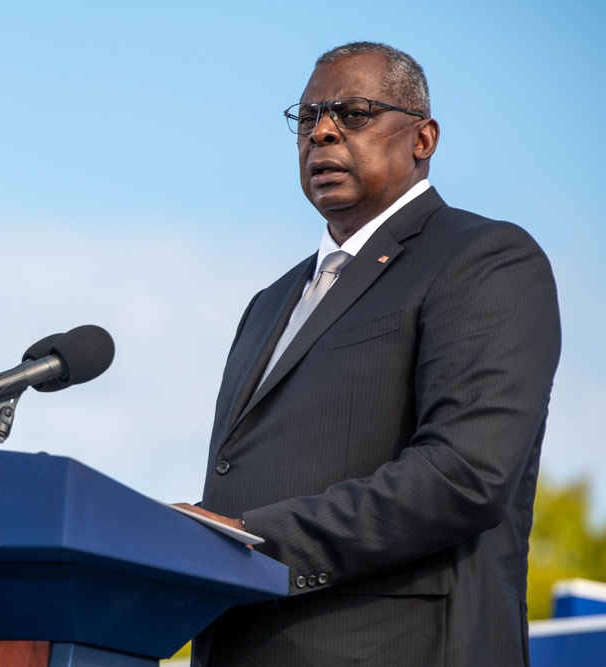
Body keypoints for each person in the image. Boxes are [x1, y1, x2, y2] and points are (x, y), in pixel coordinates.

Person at [175, 42, 561, 667]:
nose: (322, 132)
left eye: (352, 113)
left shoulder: (482, 257)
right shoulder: (270, 303)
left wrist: (249, 541)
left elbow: (465, 475)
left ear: (423, 138)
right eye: (307, 118)